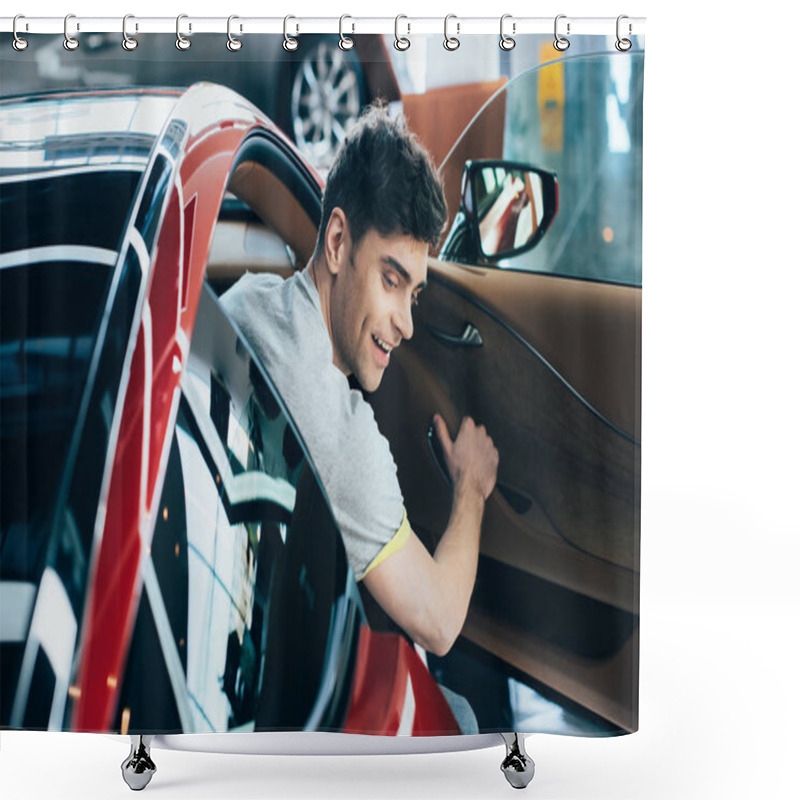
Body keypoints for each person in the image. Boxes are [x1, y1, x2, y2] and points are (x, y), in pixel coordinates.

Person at [221, 104, 498, 661]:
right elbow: (440, 622)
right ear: (339, 242)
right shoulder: (343, 438)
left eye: (413, 293)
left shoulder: (245, 301)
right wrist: (471, 488)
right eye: (391, 280)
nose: (407, 322)